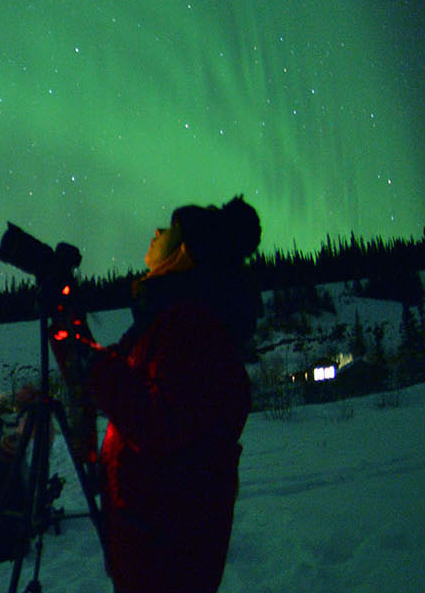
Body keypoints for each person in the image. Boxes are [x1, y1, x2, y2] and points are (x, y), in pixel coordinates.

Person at [54, 196, 261, 593]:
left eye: (168, 229)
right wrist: (67, 328)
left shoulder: (193, 326)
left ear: (186, 251)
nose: (156, 233)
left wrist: (95, 367)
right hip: (152, 541)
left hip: (168, 551)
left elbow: (156, 423)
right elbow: (111, 375)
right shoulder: (166, 320)